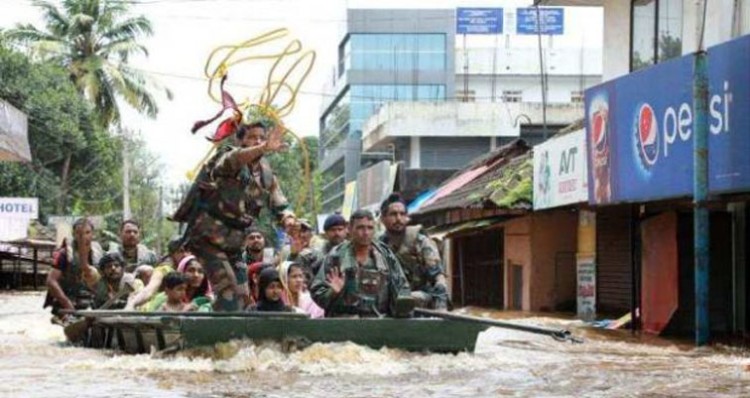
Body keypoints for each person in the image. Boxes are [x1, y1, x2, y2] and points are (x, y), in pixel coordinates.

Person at [173, 119, 290, 311]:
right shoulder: (228, 158)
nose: (258, 141)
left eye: (262, 137)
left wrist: (289, 219)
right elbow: (234, 159)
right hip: (207, 238)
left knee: (244, 299)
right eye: (252, 137)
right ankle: (216, 339)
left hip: (234, 244)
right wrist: (263, 147)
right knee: (228, 296)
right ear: (240, 140)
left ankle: (233, 337)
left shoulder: (266, 174)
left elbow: (280, 202)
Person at [310, 209, 414, 318]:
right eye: (360, 227)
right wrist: (332, 292)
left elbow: (402, 289)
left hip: (379, 323)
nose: (366, 233)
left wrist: (403, 308)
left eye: (370, 228)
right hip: (343, 325)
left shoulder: (385, 255)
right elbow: (318, 292)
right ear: (350, 229)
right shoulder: (336, 256)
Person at [379, 193, 449, 310]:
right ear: (383, 219)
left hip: (419, 296)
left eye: (402, 214)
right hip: (388, 298)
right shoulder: (379, 245)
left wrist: (441, 307)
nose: (398, 219)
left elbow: (438, 276)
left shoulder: (420, 241)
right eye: (393, 214)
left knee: (412, 298)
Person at [44, 217, 103, 320]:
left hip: (91, 300)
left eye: (87, 232)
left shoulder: (99, 252)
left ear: (93, 234)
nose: (83, 236)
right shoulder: (64, 253)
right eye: (79, 233)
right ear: (74, 234)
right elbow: (51, 281)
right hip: (69, 300)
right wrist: (67, 304)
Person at [125, 237, 188, 310]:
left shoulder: (195, 271)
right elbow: (149, 290)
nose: (185, 254)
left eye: (188, 251)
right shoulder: (164, 270)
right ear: (172, 254)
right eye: (180, 251)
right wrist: (132, 304)